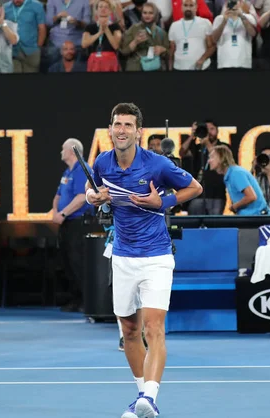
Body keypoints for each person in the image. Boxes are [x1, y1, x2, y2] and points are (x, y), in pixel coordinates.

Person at [86, 103, 202, 418]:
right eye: (117, 124)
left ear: (139, 132)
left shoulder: (158, 165)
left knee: (154, 328)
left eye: (128, 125)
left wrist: (161, 202)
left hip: (156, 257)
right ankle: (141, 395)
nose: (121, 130)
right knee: (129, 330)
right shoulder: (101, 163)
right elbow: (92, 189)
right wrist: (92, 197)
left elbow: (195, 187)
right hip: (123, 257)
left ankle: (150, 397)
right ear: (110, 130)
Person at [52, 138, 94, 313]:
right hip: (67, 222)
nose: (61, 152)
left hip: (79, 222)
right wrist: (55, 212)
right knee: (68, 261)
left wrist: (63, 213)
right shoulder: (67, 172)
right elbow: (58, 196)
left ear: (71, 151)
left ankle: (87, 300)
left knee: (79, 262)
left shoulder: (82, 170)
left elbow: (81, 197)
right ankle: (76, 298)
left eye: (63, 149)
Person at [208, 145, 270, 215]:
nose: (209, 161)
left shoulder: (235, 173)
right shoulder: (231, 174)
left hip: (257, 218)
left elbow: (251, 196)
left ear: (221, 158)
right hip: (250, 217)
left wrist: (234, 206)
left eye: (212, 157)